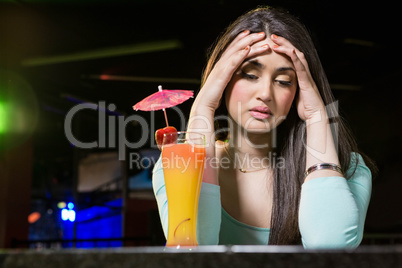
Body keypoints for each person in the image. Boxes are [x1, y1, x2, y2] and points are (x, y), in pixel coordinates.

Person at [153, 6, 375, 248]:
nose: (265, 93)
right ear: (223, 80)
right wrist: (203, 107)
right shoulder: (172, 168)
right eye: (249, 75)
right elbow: (194, 246)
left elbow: (330, 247)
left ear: (299, 90)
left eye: (283, 81)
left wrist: (316, 116)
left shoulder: (348, 169)